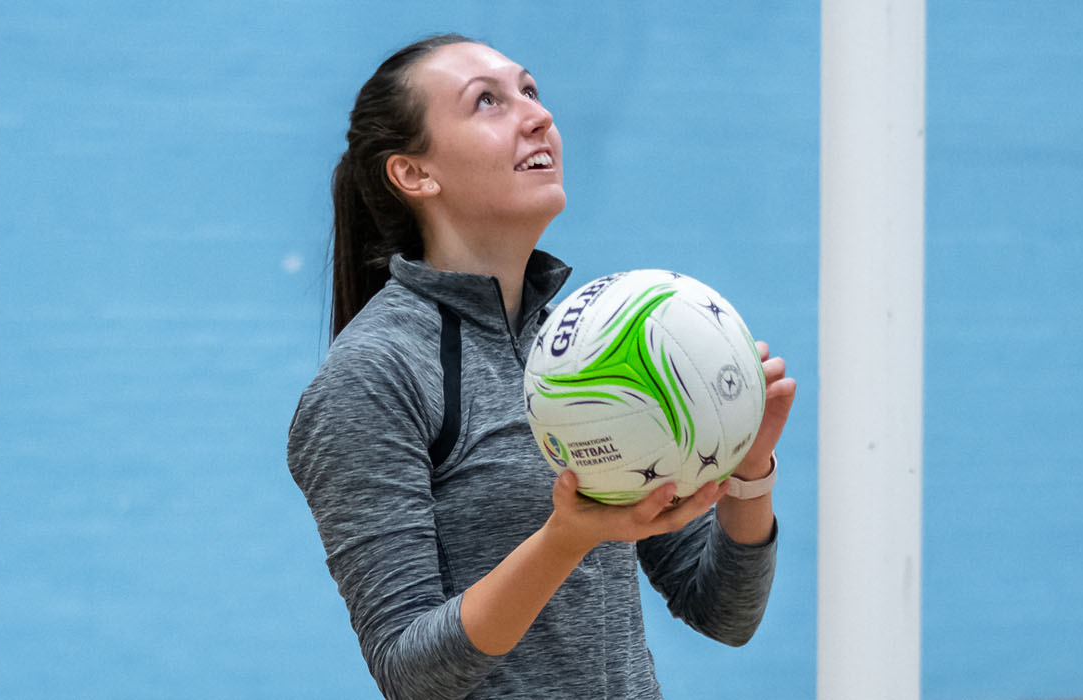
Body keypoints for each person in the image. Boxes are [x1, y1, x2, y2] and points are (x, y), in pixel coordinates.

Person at [286, 33, 799, 699]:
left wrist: (748, 470)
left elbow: (723, 613)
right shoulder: (375, 373)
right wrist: (565, 539)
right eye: (488, 102)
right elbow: (410, 672)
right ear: (414, 173)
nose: (538, 115)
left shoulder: (586, 349)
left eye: (530, 91)